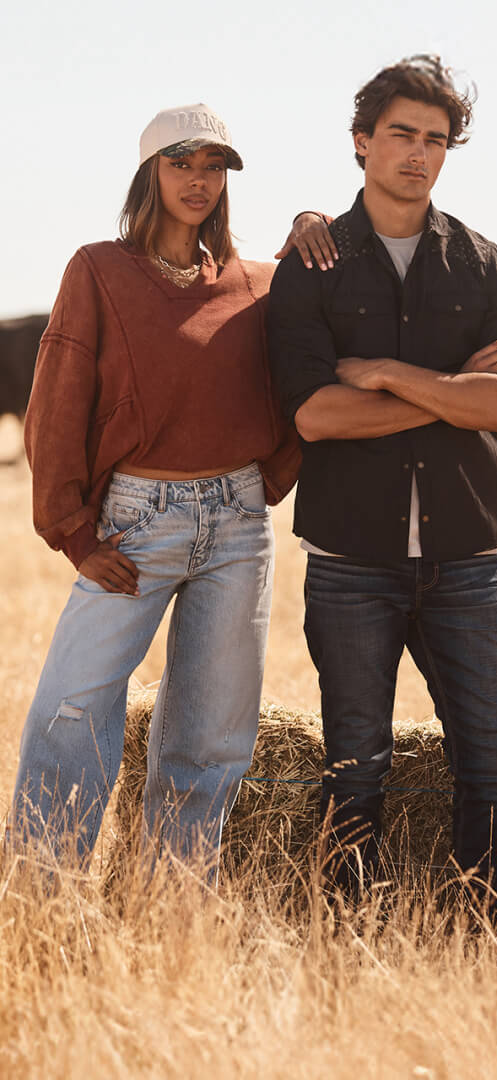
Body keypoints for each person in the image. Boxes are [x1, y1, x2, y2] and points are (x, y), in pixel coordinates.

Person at [268, 55, 497, 899]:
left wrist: (387, 372)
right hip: (351, 560)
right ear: (361, 142)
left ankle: (484, 927)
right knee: (356, 763)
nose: (418, 153)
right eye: (401, 134)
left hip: (468, 557)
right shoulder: (311, 264)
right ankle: (351, 928)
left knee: (492, 760)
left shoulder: (489, 266)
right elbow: (315, 416)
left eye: (435, 139)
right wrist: (453, 388)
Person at [7, 104, 300, 873]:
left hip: (238, 531)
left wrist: (270, 477)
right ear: (150, 173)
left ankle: (172, 907)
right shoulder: (99, 270)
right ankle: (43, 897)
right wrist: (73, 533)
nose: (198, 181)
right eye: (181, 164)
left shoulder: (262, 284)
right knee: (73, 712)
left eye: (213, 168)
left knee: (210, 732)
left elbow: (317, 373)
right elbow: (57, 402)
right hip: (136, 523)